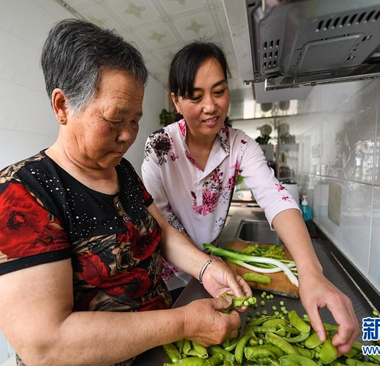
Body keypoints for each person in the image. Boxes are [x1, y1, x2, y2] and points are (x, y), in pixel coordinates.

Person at [0, 20, 251, 366]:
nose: (127, 136)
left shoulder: (121, 171)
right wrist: (184, 322)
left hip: (164, 352)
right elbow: (47, 345)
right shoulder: (19, 194)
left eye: (134, 120)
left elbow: (161, 232)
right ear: (62, 106)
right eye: (115, 119)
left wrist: (208, 268)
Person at [141, 41, 359, 355]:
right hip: (168, 274)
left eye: (218, 91)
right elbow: (158, 224)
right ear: (176, 100)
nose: (210, 106)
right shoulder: (160, 146)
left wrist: (311, 273)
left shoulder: (240, 145)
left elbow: (275, 198)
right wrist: (203, 266)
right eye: (195, 96)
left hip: (214, 272)